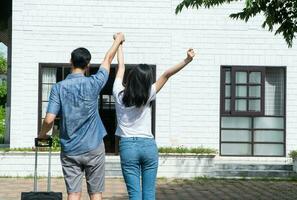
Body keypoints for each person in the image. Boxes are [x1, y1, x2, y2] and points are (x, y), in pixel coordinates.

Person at [38, 33, 125, 200]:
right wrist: (117, 40)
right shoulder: (94, 82)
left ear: (70, 61)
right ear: (88, 64)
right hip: (93, 146)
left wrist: (42, 135)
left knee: (73, 193)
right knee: (96, 193)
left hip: (70, 149)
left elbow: (49, 119)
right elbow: (107, 59)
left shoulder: (58, 88)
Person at [113, 44, 195, 200]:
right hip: (148, 146)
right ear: (146, 81)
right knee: (149, 194)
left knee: (134, 195)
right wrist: (187, 60)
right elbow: (167, 74)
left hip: (128, 147)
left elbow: (121, 67)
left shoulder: (118, 94)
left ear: (131, 78)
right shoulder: (148, 93)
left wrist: (119, 43)